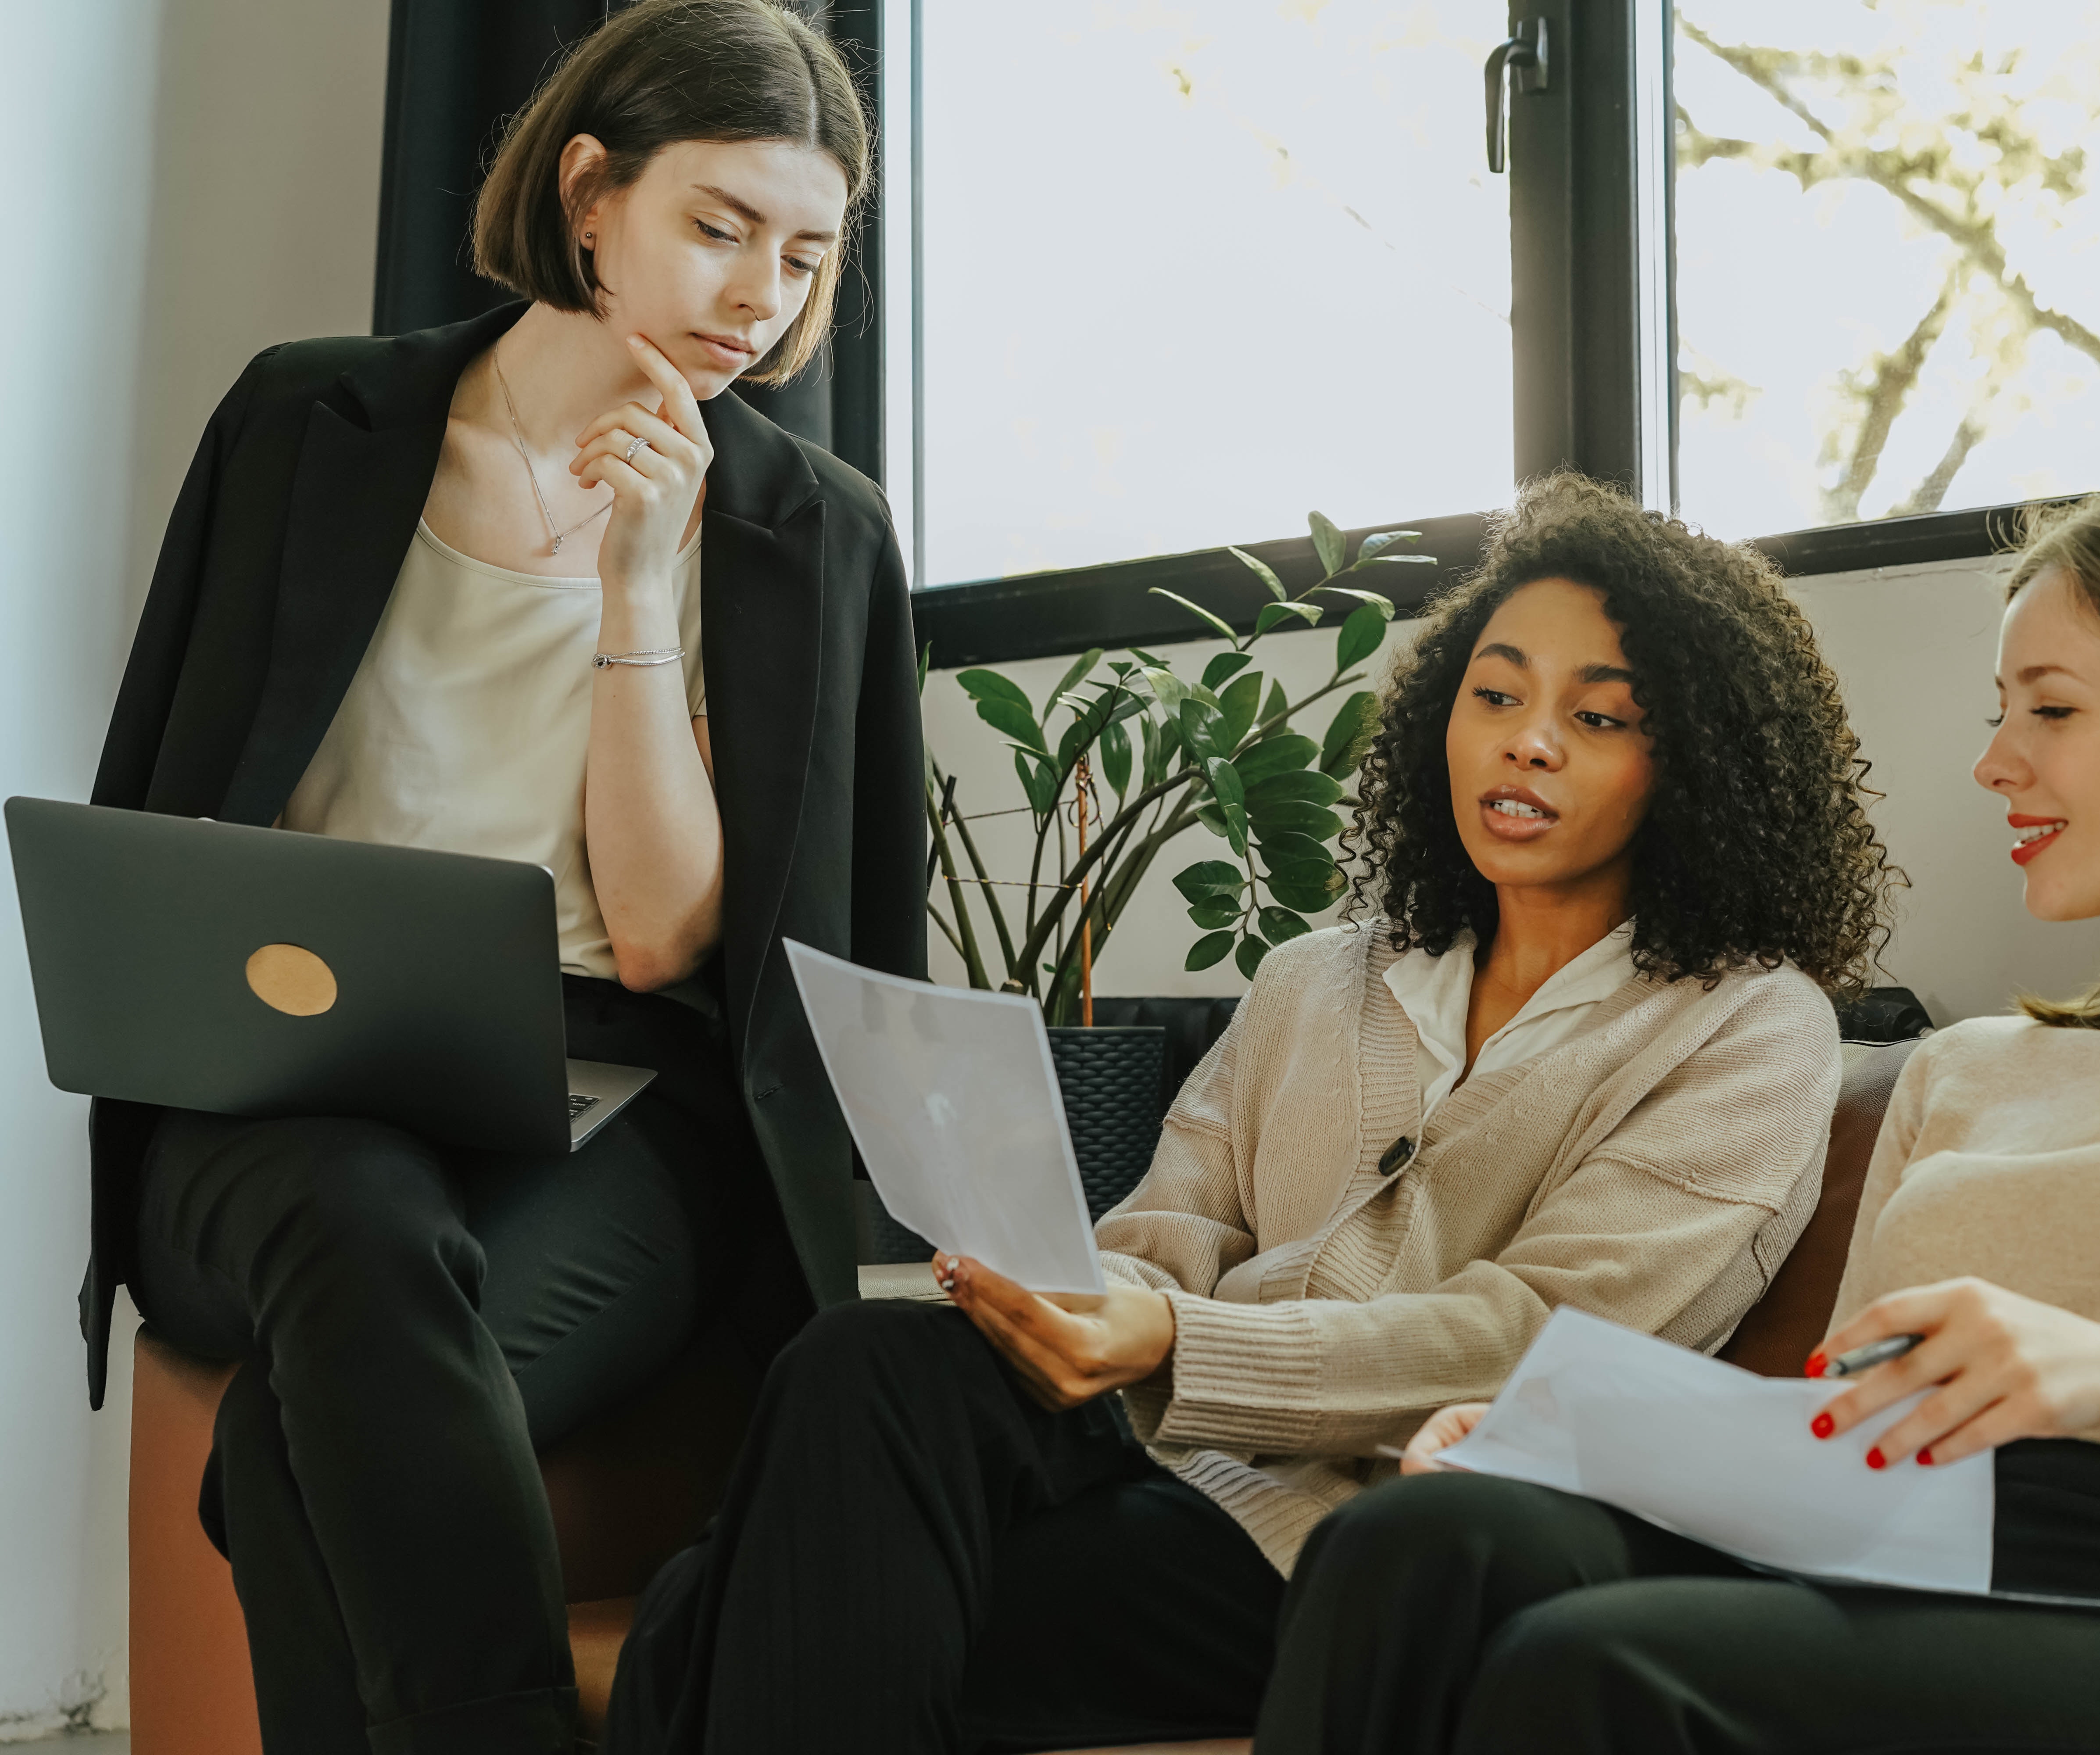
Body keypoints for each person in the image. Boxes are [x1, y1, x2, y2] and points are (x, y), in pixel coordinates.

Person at [1260, 472, 2100, 1755]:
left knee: (1594, 1672)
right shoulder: (1970, 1071)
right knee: (1420, 1542)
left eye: (2051, 711)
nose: (1996, 762)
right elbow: (1832, 1460)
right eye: (2001, 712)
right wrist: (1564, 1441)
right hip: (1908, 1566)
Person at [605, 473, 1902, 1752]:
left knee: (703, 1612)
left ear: (1697, 765)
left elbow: (1536, 1347)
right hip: (1146, 1455)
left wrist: (1172, 1344)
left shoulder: (1748, 1025)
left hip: (1344, 1540)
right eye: (1495, 696)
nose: (1529, 741)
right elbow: (1170, 1232)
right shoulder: (1316, 976)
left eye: (1601, 718)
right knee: (860, 1361)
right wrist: (1060, 1291)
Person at [85, 4, 920, 1749]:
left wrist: (637, 588)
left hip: (618, 1098)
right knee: (351, 1214)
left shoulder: (807, 530)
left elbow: (678, 934)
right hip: (279, 1085)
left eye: (806, 253)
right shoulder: (308, 420)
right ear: (590, 192)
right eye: (719, 226)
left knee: (299, 1431)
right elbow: (173, 791)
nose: (760, 292)